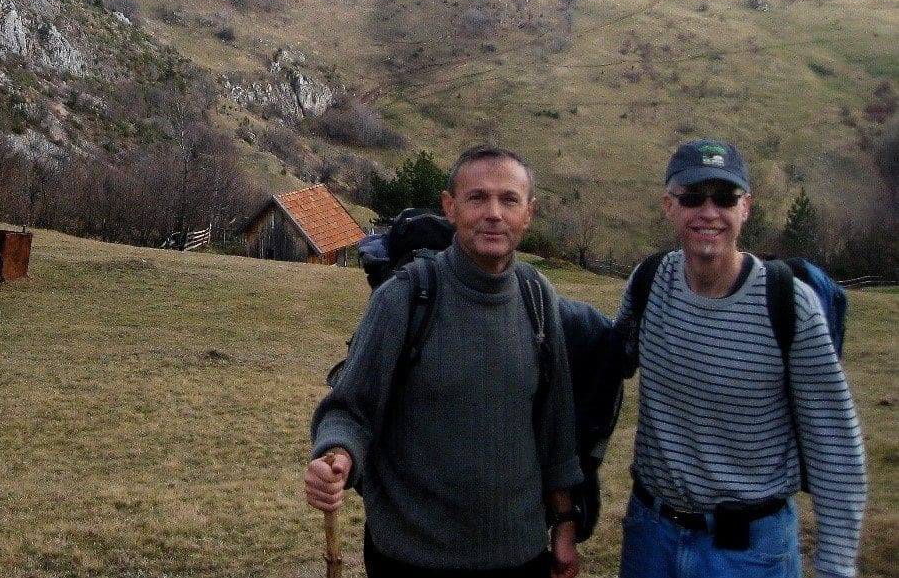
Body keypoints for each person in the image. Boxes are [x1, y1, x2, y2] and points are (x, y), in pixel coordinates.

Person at [306, 145, 583, 578]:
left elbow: (556, 425)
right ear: (450, 208)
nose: (493, 213)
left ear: (528, 213)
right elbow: (349, 410)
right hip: (412, 558)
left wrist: (564, 524)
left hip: (520, 556)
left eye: (509, 200)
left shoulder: (537, 295)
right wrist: (337, 455)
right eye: (477, 198)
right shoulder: (404, 297)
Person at [617, 139, 866, 578]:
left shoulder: (789, 302)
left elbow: (834, 439)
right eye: (692, 197)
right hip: (651, 537)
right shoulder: (649, 282)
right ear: (669, 206)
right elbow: (608, 359)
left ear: (746, 207)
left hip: (751, 551)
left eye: (725, 198)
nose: (708, 212)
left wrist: (836, 564)